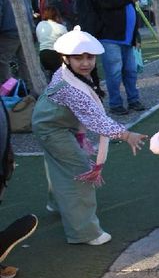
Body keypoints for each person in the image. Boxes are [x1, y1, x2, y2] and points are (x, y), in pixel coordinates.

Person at [31, 27, 146, 245]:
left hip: (52, 122)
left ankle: (57, 203)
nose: (85, 63)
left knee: (60, 165)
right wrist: (127, 135)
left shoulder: (68, 73)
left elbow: (92, 114)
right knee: (79, 171)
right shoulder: (70, 86)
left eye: (90, 57)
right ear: (65, 58)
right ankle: (84, 232)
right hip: (53, 128)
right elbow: (96, 120)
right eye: (78, 58)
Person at [90, 0, 145, 115]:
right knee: (114, 72)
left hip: (126, 38)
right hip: (111, 38)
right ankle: (115, 104)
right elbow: (105, 3)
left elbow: (127, 9)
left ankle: (133, 100)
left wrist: (135, 36)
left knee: (130, 71)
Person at [36, 6, 68, 75]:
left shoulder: (40, 24)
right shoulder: (61, 28)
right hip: (56, 55)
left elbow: (39, 39)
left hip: (42, 54)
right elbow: (67, 44)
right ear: (56, 15)